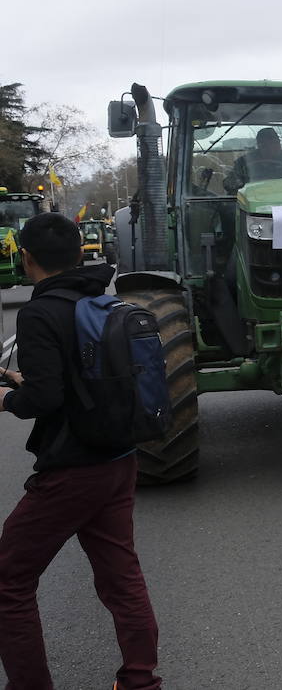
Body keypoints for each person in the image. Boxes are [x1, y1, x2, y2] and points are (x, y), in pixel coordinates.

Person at [0, 213, 162, 690]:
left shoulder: (38, 313)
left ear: (25, 258)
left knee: (8, 582)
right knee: (121, 577)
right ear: (80, 253)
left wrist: (8, 396)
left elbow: (44, 400)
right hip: (116, 458)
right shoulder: (101, 299)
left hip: (71, 470)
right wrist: (24, 379)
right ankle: (140, 681)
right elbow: (82, 375)